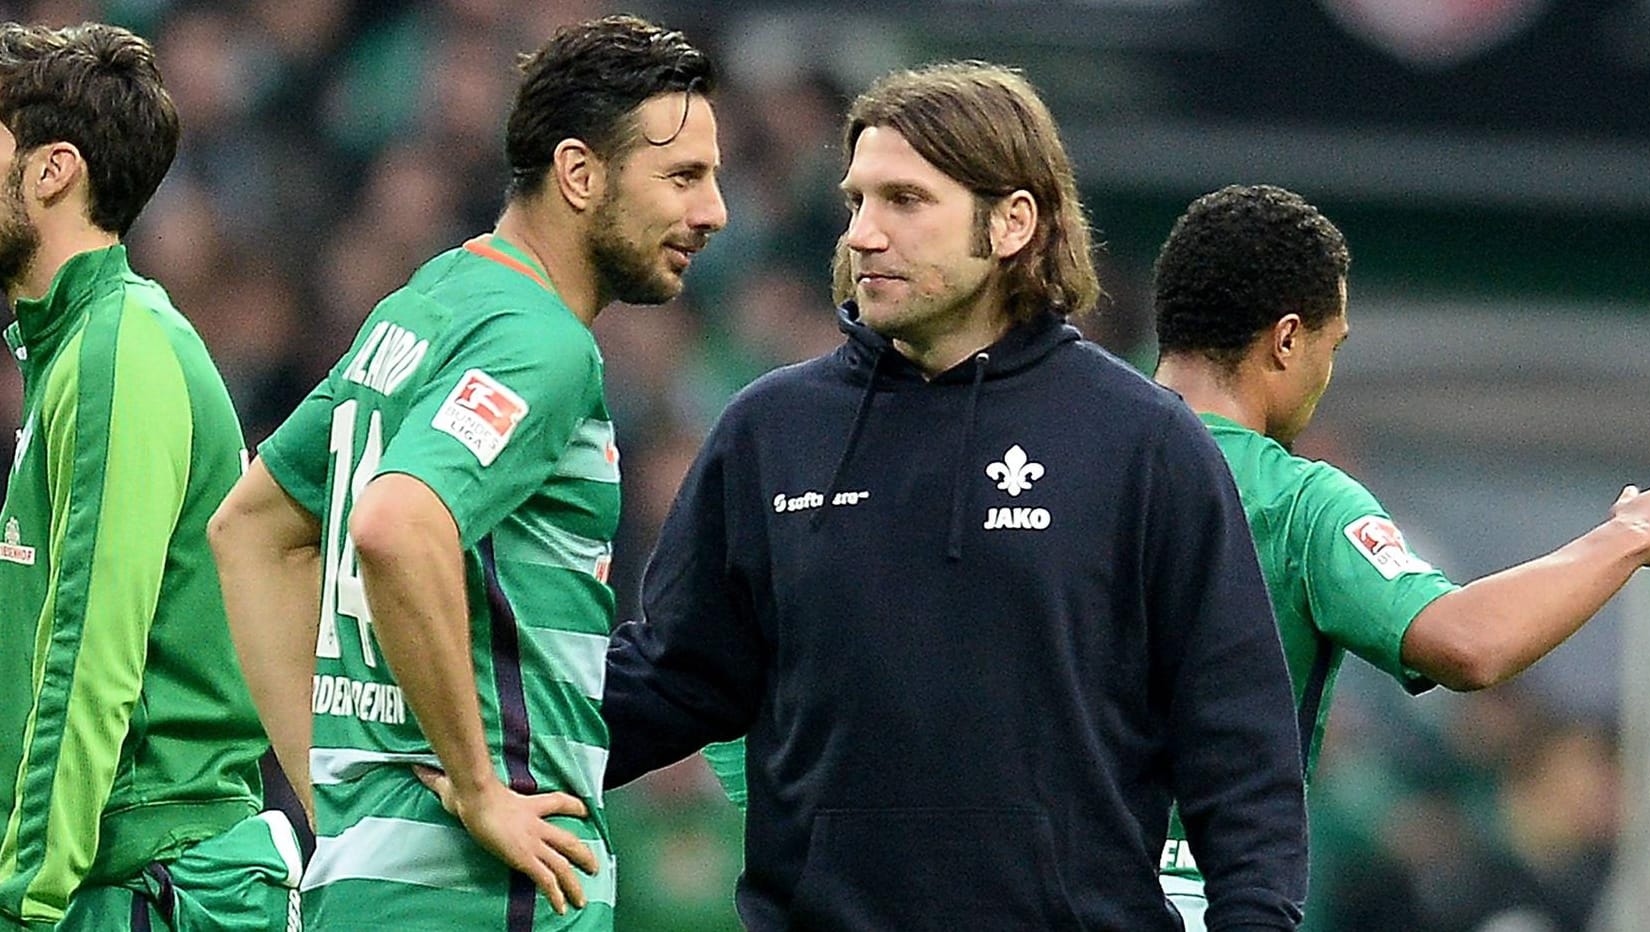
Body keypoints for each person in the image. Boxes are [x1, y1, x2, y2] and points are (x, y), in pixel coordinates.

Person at [603, 62, 1309, 931]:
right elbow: (671, 680)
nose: (863, 233)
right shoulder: (770, 432)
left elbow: (1239, 751)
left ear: (1013, 222)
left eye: (904, 201)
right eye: (858, 200)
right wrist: (475, 740)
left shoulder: (1145, 444)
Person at [205, 15, 727, 931]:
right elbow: (397, 525)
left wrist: (333, 793)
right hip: (487, 890)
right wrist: (482, 790)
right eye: (682, 177)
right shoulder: (540, 344)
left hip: (368, 880)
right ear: (579, 173)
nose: (713, 211)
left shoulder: (425, 303)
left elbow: (249, 527)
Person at [1150, 183, 1650, 929]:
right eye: (1334, 346)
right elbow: (1467, 642)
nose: (1328, 374)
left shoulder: (1064, 450)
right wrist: (1629, 534)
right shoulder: (1295, 501)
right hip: (1200, 899)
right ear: (1288, 340)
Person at [0, 21, 302, 932]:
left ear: (52, 171)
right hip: (120, 879)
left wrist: (24, 902)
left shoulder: (115, 353)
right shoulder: (71, 351)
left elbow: (90, 661)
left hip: (153, 890)